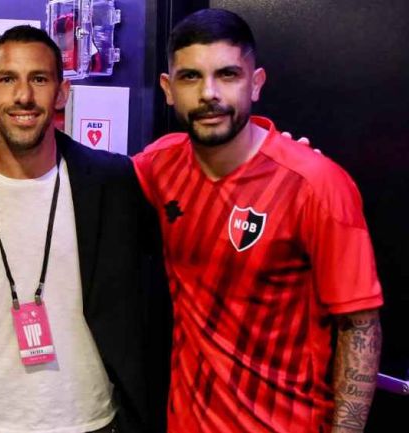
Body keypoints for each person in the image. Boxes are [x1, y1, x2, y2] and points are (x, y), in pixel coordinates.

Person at [132, 9, 383, 433]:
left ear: (256, 83)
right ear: (168, 89)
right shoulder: (157, 167)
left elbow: (360, 326)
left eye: (227, 75)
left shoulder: (316, 184)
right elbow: (81, 180)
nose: (209, 93)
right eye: (191, 77)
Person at [0, 25, 168, 433]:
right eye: (7, 79)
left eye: (40, 79)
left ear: (61, 93)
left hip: (89, 419)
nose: (23, 96)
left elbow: (170, 270)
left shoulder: (112, 182)